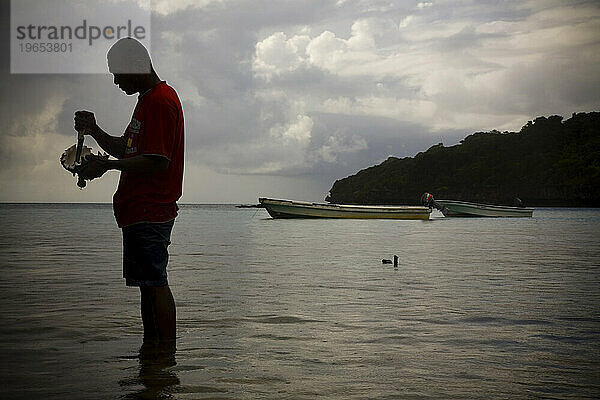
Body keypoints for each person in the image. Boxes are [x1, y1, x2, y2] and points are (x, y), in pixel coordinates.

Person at [75, 37, 184, 351]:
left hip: (151, 208)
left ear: (136, 67)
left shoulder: (162, 101)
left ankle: (164, 355)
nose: (116, 81)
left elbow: (157, 161)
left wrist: (107, 167)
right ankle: (153, 359)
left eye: (117, 74)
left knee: (155, 284)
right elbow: (129, 149)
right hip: (138, 210)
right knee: (148, 287)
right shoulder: (147, 100)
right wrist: (94, 131)